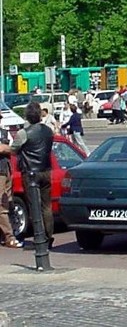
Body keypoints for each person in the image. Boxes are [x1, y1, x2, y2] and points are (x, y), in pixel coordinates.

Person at [12, 102, 56, 248]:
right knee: (46, 206)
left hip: (30, 172)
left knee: (34, 206)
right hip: (46, 170)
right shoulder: (48, 131)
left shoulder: (24, 133)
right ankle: (48, 236)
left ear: (27, 116)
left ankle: (39, 238)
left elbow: (14, 149)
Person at [0, 114, 23, 248]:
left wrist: (5, 148)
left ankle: (5, 235)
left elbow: (13, 149)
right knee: (1, 204)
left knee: (7, 201)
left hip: (6, 169)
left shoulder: (4, 132)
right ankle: (9, 236)